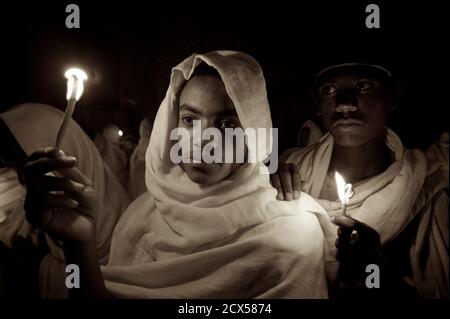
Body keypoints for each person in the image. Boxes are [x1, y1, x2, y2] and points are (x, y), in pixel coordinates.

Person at [22, 51, 329, 298]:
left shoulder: (292, 237)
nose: (200, 140)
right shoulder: (145, 212)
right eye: (188, 118)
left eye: (226, 125)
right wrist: (81, 247)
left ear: (255, 132)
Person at [271, 63, 448, 298]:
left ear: (393, 96)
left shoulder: (424, 189)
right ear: (316, 102)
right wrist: (263, 192)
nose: (345, 104)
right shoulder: (290, 166)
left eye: (363, 87)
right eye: (329, 90)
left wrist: (373, 268)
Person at [0, 103, 130, 298]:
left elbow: (80, 285)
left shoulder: (130, 233)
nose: (21, 180)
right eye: (15, 167)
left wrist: (41, 263)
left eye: (23, 165)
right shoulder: (49, 209)